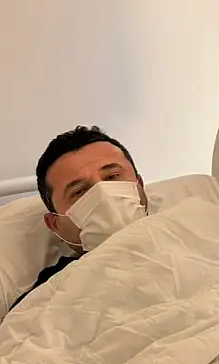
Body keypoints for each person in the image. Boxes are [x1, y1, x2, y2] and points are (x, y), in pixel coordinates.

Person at [11, 126, 149, 309]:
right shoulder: (43, 300)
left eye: (112, 177)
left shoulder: (186, 225)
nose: (104, 195)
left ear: (140, 185)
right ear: (55, 224)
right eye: (79, 191)